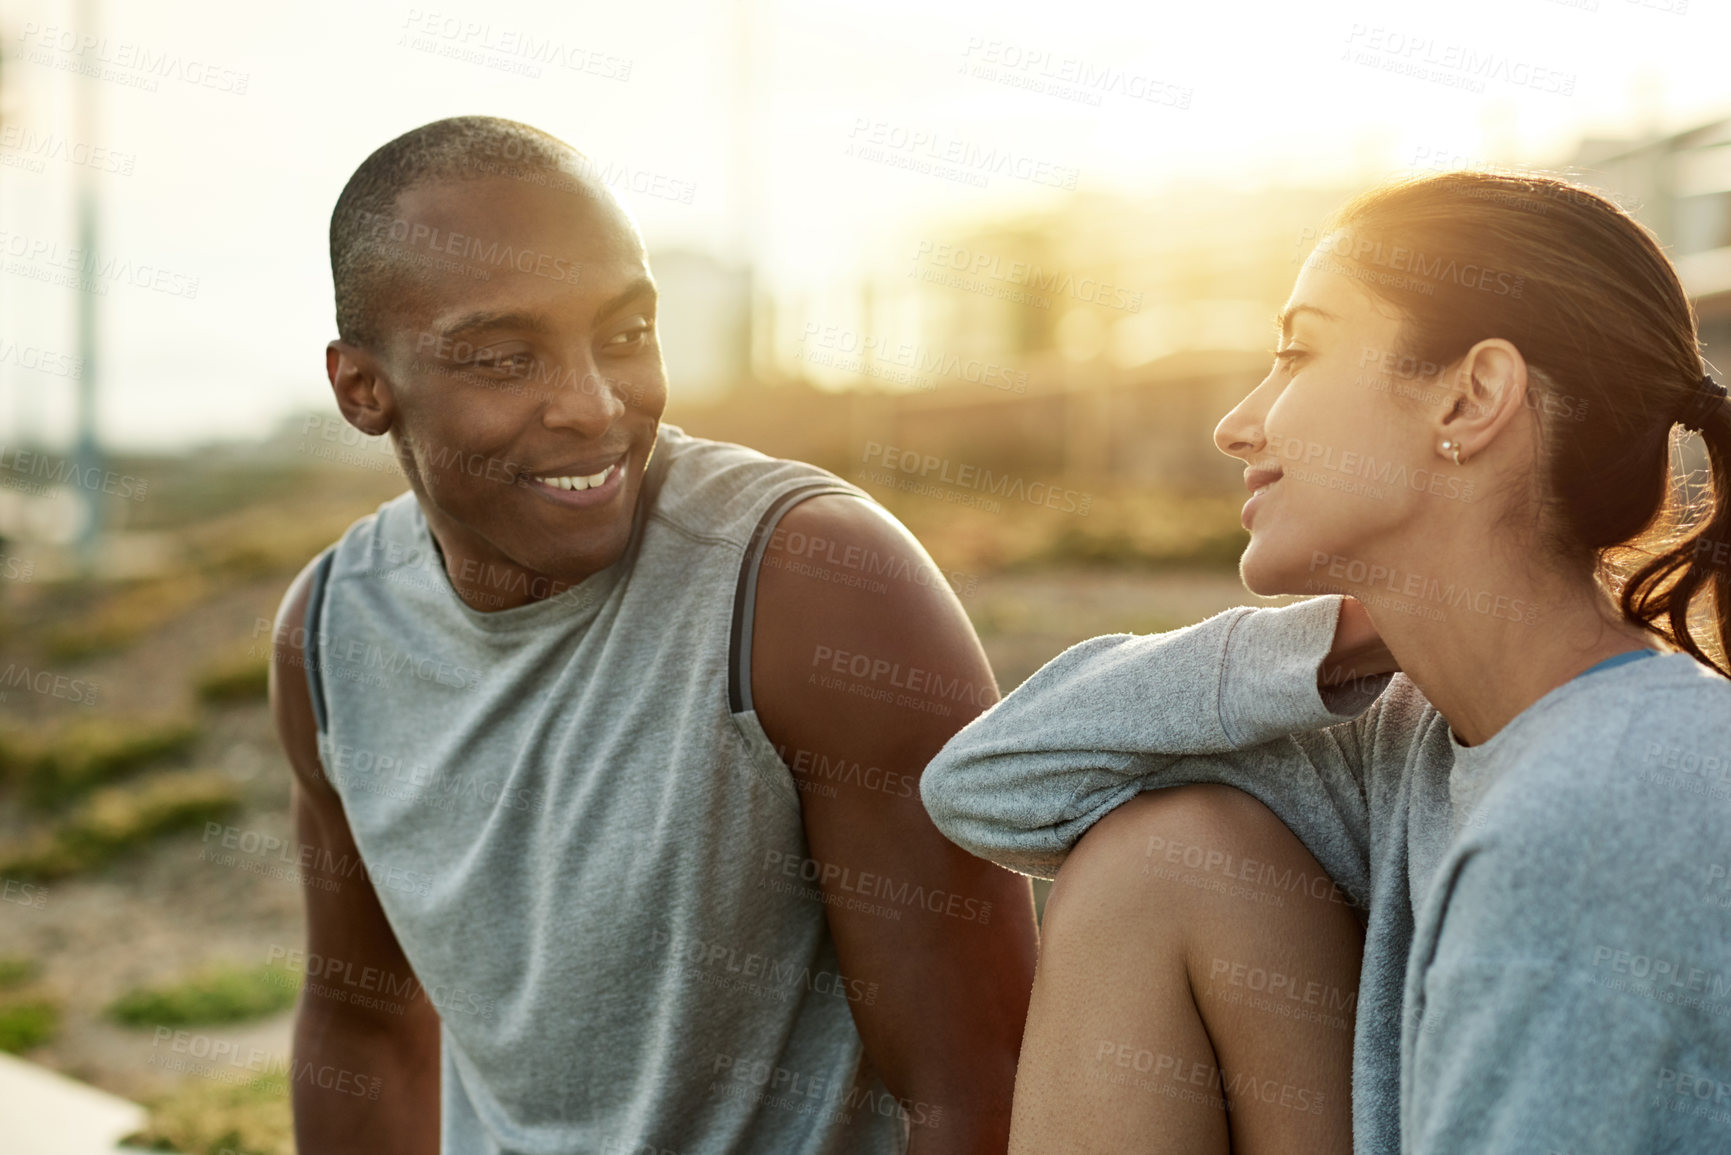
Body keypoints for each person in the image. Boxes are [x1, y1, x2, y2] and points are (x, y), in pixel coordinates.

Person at [267, 115, 1036, 1154]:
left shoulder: (816, 586)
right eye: (504, 358)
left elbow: (978, 1090)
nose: (593, 406)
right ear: (364, 389)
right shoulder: (330, 634)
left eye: (625, 336)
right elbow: (362, 1026)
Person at [921, 169, 1731, 1154]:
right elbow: (987, 784)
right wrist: (1342, 638)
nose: (1236, 424)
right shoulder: (1406, 737)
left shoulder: (1600, 809)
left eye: (1297, 353)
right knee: (1159, 858)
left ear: (1472, 397)